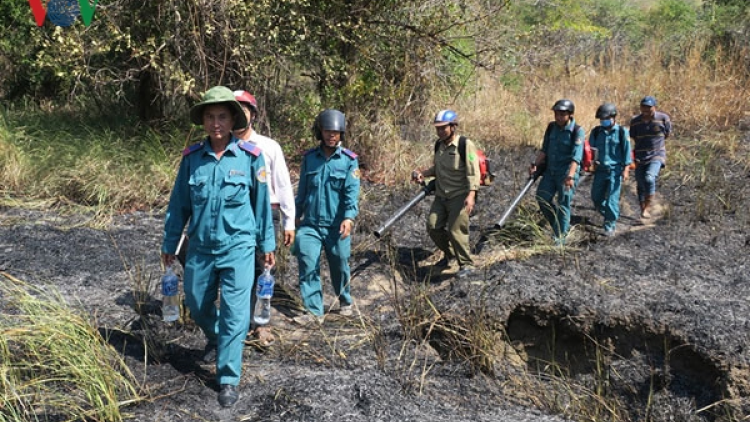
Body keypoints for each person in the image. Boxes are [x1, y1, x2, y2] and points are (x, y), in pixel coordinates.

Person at [160, 86, 276, 408]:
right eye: (210, 116)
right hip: (200, 248)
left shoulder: (252, 158)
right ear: (204, 120)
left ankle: (228, 377)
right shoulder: (192, 160)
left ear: (232, 119)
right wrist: (170, 243)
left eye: (222, 116)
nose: (216, 123)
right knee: (197, 304)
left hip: (238, 247)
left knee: (237, 314)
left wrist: (267, 244)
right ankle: (221, 337)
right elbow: (178, 205)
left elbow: (262, 207)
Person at [233, 89, 295, 347]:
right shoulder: (223, 146)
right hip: (235, 215)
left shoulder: (269, 147)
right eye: (234, 110)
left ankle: (261, 324)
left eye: (244, 110)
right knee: (237, 270)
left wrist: (289, 220)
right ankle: (239, 322)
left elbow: (282, 184)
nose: (239, 115)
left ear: (253, 115)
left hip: (265, 213)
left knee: (263, 269)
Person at [293, 109, 360, 321]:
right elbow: (302, 191)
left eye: (336, 132)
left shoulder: (349, 160)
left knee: (340, 263)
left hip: (337, 225)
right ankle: (314, 312)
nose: (331, 135)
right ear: (320, 132)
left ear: (342, 134)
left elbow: (351, 193)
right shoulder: (310, 159)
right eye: (327, 131)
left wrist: (348, 218)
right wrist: (295, 215)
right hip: (310, 225)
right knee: (307, 263)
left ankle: (345, 299)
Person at [411, 109, 480, 278]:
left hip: (460, 196)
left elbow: (473, 172)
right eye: (438, 128)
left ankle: (466, 264)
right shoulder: (438, 145)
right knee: (433, 226)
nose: (440, 131)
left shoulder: (465, 145)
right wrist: (424, 174)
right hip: (441, 195)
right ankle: (450, 254)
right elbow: (438, 168)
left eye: (443, 128)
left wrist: (471, 196)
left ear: (453, 127)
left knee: (456, 230)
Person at [529, 99, 585, 244]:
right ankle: (557, 224)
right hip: (550, 170)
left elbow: (576, 157)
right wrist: (536, 164)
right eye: (556, 114)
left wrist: (570, 176)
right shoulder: (551, 128)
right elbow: (544, 149)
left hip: (566, 172)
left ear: (570, 115)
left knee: (563, 203)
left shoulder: (577, 131)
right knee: (542, 197)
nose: (558, 117)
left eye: (562, 114)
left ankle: (560, 236)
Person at [588, 103, 632, 236]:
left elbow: (626, 151)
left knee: (612, 199)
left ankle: (610, 224)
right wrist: (590, 164)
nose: (603, 121)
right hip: (600, 170)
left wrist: (626, 169)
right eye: (601, 119)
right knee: (596, 197)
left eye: (606, 118)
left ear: (613, 117)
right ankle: (610, 213)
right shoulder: (596, 132)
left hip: (615, 171)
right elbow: (590, 151)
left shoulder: (621, 132)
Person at [629, 95, 672, 219]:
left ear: (654, 107)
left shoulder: (663, 118)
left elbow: (667, 134)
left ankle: (648, 207)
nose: (646, 110)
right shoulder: (635, 121)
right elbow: (633, 136)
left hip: (657, 155)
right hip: (639, 156)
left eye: (649, 107)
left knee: (649, 178)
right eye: (644, 107)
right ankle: (643, 207)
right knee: (640, 183)